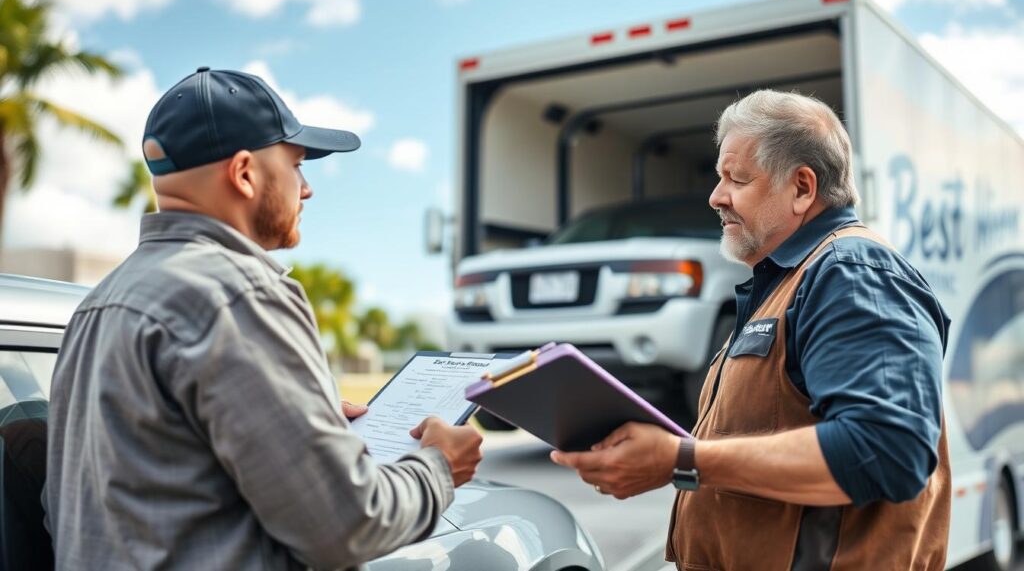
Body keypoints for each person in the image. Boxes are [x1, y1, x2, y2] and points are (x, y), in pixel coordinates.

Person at [45, 67, 483, 570]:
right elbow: (345, 524)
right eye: (296, 165)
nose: (307, 188)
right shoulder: (238, 294)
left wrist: (302, 417)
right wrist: (439, 466)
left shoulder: (96, 306)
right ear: (244, 173)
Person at [551, 89, 951, 570]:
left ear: (802, 188)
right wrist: (666, 458)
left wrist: (682, 459)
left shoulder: (852, 272)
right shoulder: (783, 283)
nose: (716, 197)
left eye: (736, 179)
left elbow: (886, 451)